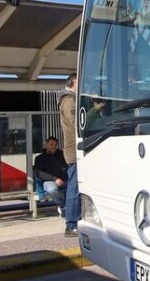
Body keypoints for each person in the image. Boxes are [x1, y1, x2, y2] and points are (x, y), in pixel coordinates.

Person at [59, 74, 80, 237]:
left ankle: (75, 221)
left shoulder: (70, 99)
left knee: (77, 186)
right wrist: (93, 110)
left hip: (75, 149)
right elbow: (76, 123)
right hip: (74, 151)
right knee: (74, 187)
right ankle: (71, 224)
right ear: (73, 82)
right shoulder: (69, 100)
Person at [34, 136, 68, 214]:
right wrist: (54, 179)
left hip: (63, 179)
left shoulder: (62, 155)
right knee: (52, 189)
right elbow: (39, 173)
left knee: (73, 187)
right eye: (51, 144)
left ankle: (69, 207)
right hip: (49, 181)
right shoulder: (39, 158)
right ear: (46, 145)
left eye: (55, 145)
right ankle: (63, 206)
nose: (53, 146)